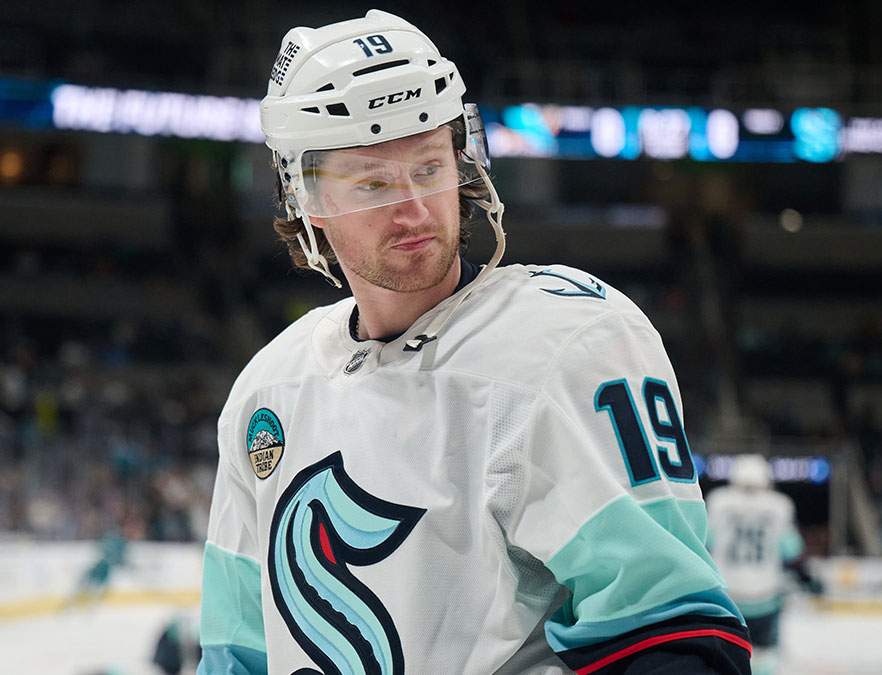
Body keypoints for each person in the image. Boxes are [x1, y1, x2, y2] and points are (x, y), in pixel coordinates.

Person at [197, 10, 750, 674]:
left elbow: (670, 639)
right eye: (372, 181)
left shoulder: (564, 344)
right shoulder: (269, 388)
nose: (414, 208)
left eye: (429, 167)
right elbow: (237, 655)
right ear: (306, 198)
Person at [704, 454, 821, 675]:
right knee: (765, 657)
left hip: (728, 597)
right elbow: (792, 551)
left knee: (725, 655)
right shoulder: (780, 505)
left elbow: (705, 543)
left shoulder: (718, 501)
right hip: (766, 597)